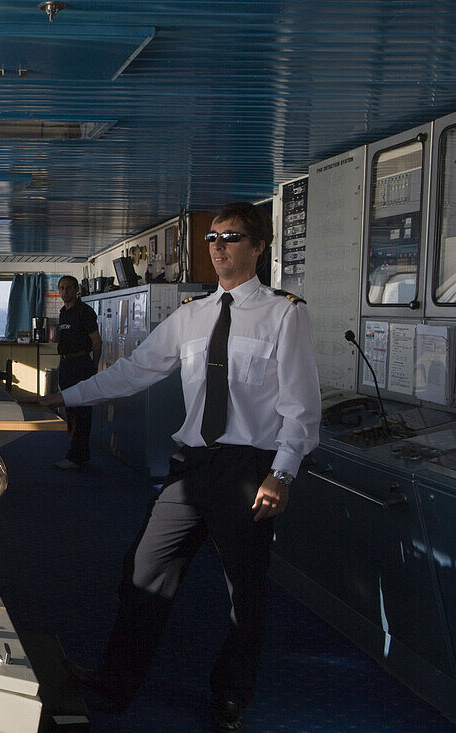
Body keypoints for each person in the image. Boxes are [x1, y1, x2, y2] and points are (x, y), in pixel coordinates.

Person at [41, 202, 320, 731]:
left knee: (246, 588)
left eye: (231, 237)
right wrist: (71, 397)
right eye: (212, 238)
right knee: (143, 568)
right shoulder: (190, 315)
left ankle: (232, 694)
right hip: (192, 466)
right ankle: (116, 679)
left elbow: (301, 406)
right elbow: (135, 369)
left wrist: (281, 473)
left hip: (248, 467)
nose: (218, 246)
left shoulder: (286, 314)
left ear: (258, 247)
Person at [54, 275, 103, 469]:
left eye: (68, 288)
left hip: (81, 364)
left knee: (81, 411)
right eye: (62, 288)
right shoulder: (63, 313)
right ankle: (76, 453)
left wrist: (93, 368)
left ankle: (77, 456)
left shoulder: (85, 312)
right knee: (70, 411)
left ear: (76, 290)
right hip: (66, 364)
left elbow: (97, 342)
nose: (65, 291)